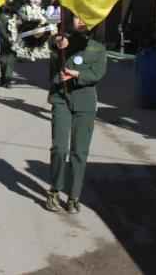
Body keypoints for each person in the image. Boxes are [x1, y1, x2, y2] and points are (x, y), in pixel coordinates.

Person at [45, 14, 107, 214]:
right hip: (61, 98)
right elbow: (49, 44)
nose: (80, 21)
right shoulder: (62, 40)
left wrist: (78, 74)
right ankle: (54, 190)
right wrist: (56, 41)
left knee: (79, 152)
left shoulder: (98, 47)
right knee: (59, 148)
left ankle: (74, 196)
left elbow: (97, 74)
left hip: (85, 102)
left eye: (85, 18)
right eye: (77, 17)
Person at [0, 0, 17, 88]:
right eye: (8, 5)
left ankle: (8, 80)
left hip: (14, 42)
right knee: (3, 61)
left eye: (11, 5)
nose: (10, 7)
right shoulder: (2, 16)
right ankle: (3, 78)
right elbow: (1, 30)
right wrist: (7, 38)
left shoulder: (15, 16)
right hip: (5, 42)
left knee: (11, 61)